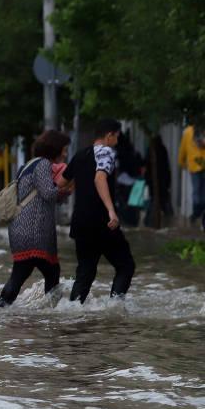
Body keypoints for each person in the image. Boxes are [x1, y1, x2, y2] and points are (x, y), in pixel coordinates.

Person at [63, 118, 136, 304]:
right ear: (109, 135)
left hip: (80, 222)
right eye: (117, 137)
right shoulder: (107, 151)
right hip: (103, 222)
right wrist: (111, 210)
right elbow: (99, 178)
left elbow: (61, 183)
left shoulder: (80, 155)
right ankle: (115, 308)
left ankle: (72, 311)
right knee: (126, 266)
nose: (117, 141)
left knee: (85, 273)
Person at [0, 130, 71, 307]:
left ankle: (2, 309)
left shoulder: (27, 166)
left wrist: (59, 194)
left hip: (19, 230)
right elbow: (48, 193)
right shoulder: (43, 164)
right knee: (50, 272)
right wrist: (65, 190)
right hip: (34, 232)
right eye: (64, 149)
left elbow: (39, 195)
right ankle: (52, 312)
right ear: (55, 148)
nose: (66, 153)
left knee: (21, 272)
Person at [178, 124, 205, 222]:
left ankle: (197, 211)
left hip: (194, 164)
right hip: (202, 163)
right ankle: (200, 211)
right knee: (202, 191)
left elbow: (183, 148)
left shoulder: (187, 132)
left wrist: (181, 161)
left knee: (196, 190)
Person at [145, 134, 172, 227]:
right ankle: (169, 222)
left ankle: (149, 222)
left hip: (156, 183)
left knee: (154, 202)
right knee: (163, 202)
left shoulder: (151, 150)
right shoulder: (161, 149)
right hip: (161, 183)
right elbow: (166, 168)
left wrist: (148, 181)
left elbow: (147, 167)